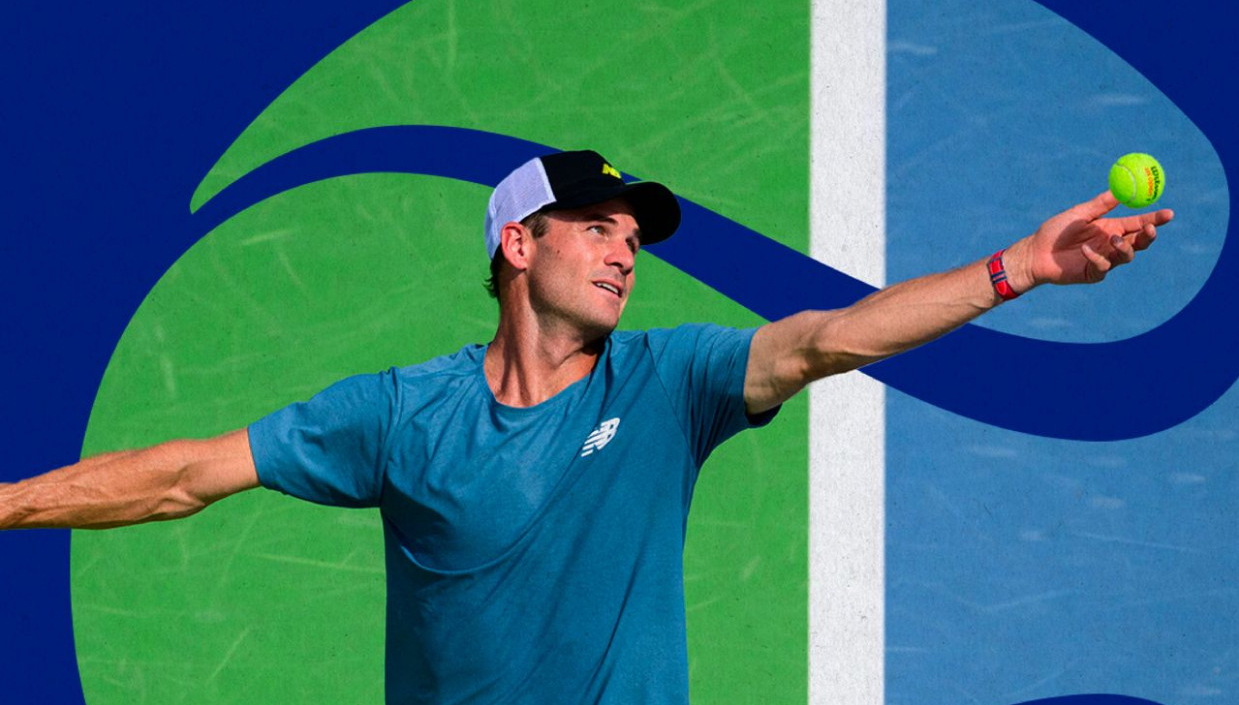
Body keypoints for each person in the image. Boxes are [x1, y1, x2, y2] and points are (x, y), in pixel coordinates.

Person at [0, 149, 1172, 703]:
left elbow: (830, 338)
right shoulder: (402, 415)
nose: (625, 251)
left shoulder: (672, 381)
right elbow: (188, 475)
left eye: (633, 236)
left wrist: (1017, 268)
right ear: (520, 245)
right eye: (597, 226)